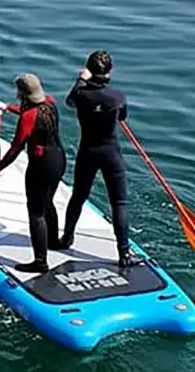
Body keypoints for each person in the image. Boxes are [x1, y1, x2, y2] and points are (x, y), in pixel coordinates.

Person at [55, 50, 142, 268]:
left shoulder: (81, 95)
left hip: (88, 151)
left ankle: (67, 238)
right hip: (111, 153)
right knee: (119, 202)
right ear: (110, 71)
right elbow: (122, 116)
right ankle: (124, 254)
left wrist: (80, 80)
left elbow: (69, 101)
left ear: (88, 70)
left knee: (78, 196)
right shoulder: (118, 96)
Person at [0, 74, 66, 273]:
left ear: (21, 93)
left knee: (36, 213)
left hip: (40, 166)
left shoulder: (27, 117)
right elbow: (31, 112)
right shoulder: (50, 102)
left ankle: (40, 261)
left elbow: (16, 148)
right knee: (47, 202)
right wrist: (8, 108)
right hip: (58, 160)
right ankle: (54, 242)